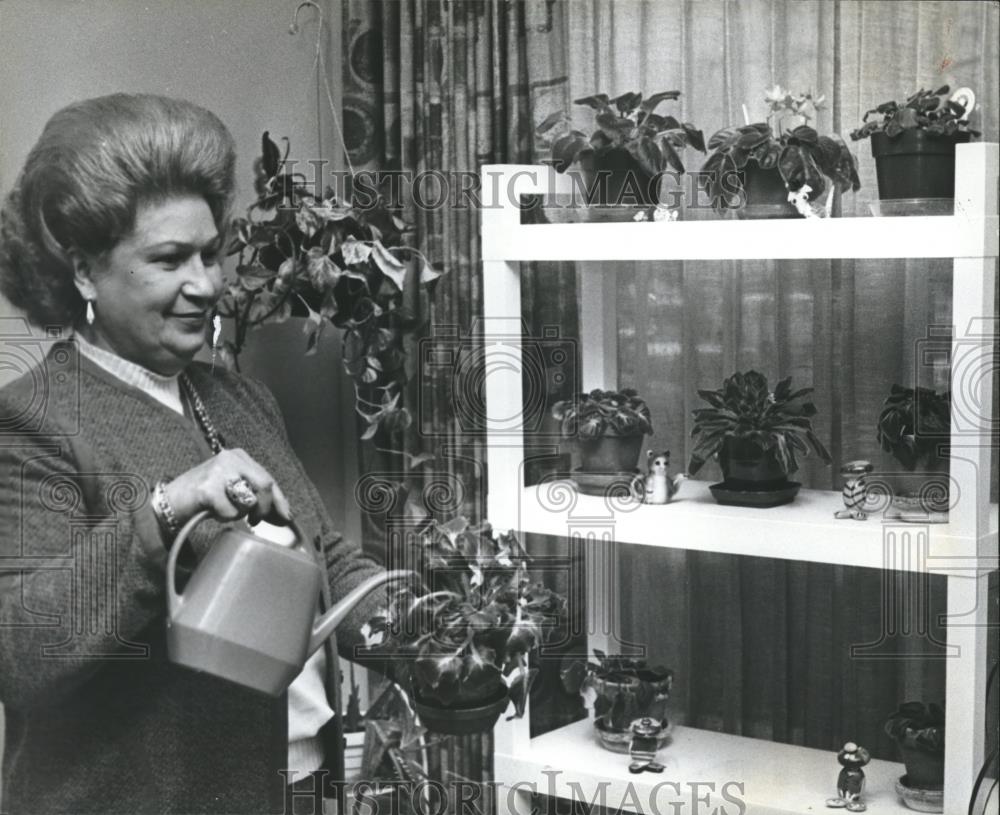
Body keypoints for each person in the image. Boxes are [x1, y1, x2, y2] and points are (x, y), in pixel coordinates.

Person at [0, 93, 385, 814]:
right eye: (171, 259)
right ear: (85, 272)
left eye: (211, 253)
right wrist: (167, 509)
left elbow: (321, 557)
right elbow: (22, 652)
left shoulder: (240, 398)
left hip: (290, 786)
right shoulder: (33, 420)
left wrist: (421, 624)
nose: (206, 285)